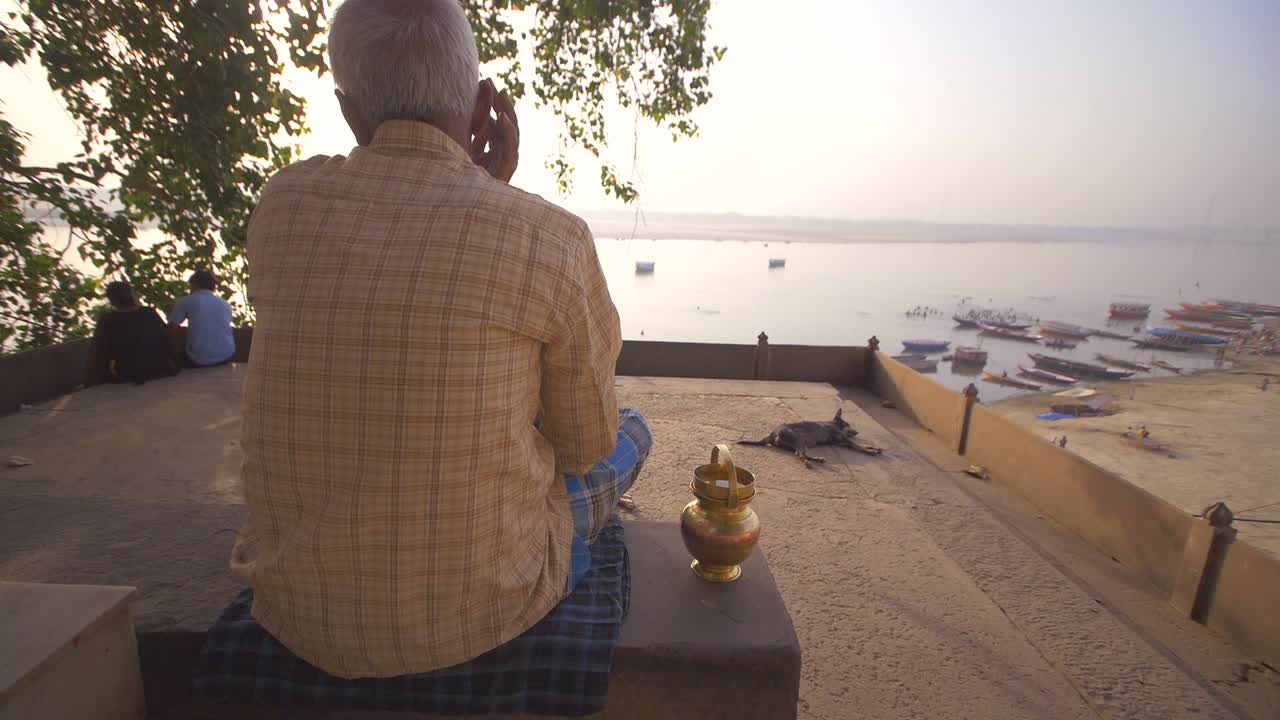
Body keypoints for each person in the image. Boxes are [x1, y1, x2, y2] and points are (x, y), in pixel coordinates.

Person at [232, 0, 650, 680]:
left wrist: (475, 189)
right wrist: (485, 189)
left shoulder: (281, 208)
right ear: (485, 102)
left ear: (347, 110)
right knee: (632, 430)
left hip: (298, 609)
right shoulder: (551, 239)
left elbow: (403, 264)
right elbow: (583, 447)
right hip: (487, 609)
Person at [85, 281, 180, 386]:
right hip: (161, 368)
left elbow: (98, 351)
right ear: (131, 295)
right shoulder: (149, 313)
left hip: (129, 372)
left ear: (112, 300)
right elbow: (167, 338)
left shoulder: (107, 320)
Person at [168, 270, 236, 367]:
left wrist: (170, 312)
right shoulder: (225, 304)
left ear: (195, 284)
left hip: (198, 359)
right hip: (226, 355)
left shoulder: (185, 301)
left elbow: (172, 328)